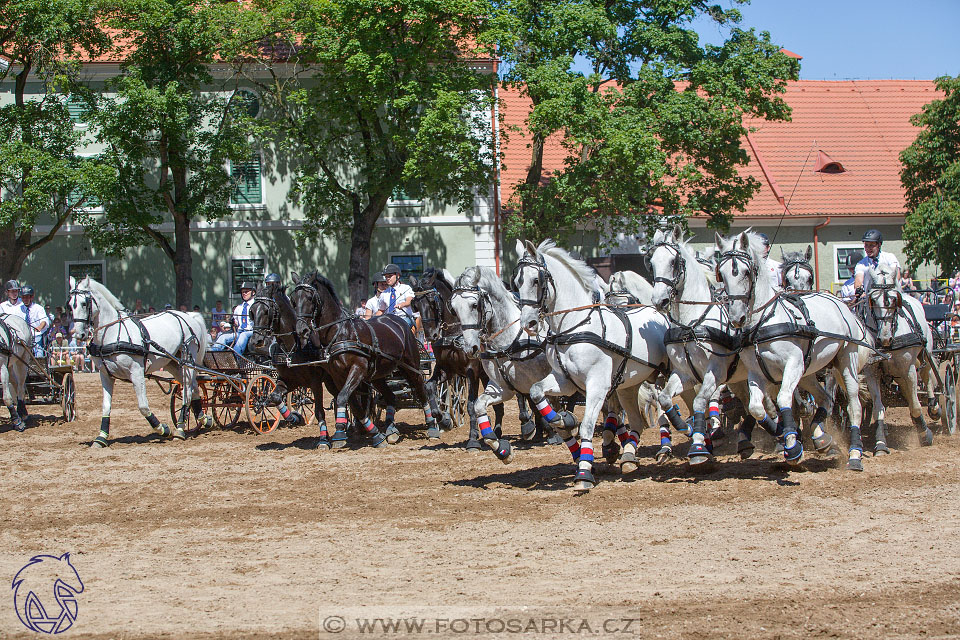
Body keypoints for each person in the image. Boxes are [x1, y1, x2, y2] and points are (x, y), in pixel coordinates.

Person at [211, 282, 256, 354]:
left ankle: (235, 358)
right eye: (242, 292)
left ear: (253, 292)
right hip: (239, 332)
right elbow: (235, 321)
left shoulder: (257, 305)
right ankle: (212, 354)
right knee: (223, 337)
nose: (244, 293)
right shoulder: (239, 307)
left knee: (243, 336)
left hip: (252, 332)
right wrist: (232, 322)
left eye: (246, 292)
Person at [853, 229, 900, 295]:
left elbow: (896, 275)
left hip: (891, 294)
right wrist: (859, 289)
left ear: (879, 244)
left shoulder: (890, 257)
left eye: (871, 245)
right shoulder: (861, 264)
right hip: (870, 297)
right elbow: (858, 279)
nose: (868, 248)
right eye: (866, 245)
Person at [377, 264, 415, 329]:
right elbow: (381, 310)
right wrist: (372, 318)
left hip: (404, 318)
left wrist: (402, 304)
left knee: (398, 328)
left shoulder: (406, 288)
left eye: (390, 276)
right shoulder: (384, 294)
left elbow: (409, 301)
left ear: (397, 276)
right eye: (386, 277)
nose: (387, 279)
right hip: (389, 320)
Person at [20, 285, 50, 357]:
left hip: (35, 335)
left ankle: (39, 362)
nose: (25, 299)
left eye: (27, 297)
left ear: (32, 297)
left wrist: (39, 327)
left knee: (38, 350)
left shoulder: (38, 308)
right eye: (23, 297)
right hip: (23, 336)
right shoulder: (18, 309)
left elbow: (44, 320)